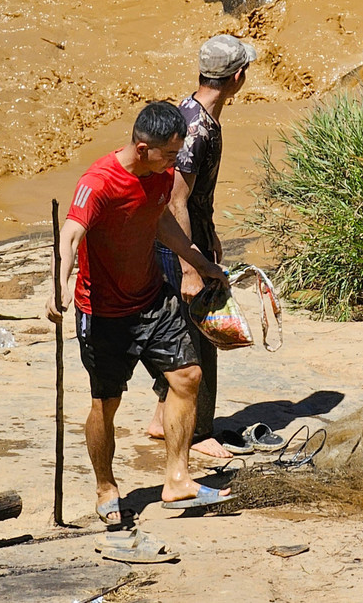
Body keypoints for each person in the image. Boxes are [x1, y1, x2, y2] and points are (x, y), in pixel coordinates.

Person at [46, 101, 235, 522]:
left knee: (187, 377)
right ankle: (105, 486)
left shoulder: (161, 174)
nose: (176, 161)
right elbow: (72, 233)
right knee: (105, 403)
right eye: (169, 154)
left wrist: (199, 262)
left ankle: (178, 479)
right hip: (104, 311)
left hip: (151, 298)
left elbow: (160, 221)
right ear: (142, 146)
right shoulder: (99, 183)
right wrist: (58, 284)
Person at [148, 34, 257, 459]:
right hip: (178, 246)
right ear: (237, 76)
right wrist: (192, 264)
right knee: (198, 337)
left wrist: (209, 234)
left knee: (176, 328)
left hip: (185, 238)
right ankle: (197, 432)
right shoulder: (197, 129)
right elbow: (175, 197)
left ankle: (162, 416)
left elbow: (190, 197)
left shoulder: (192, 111)